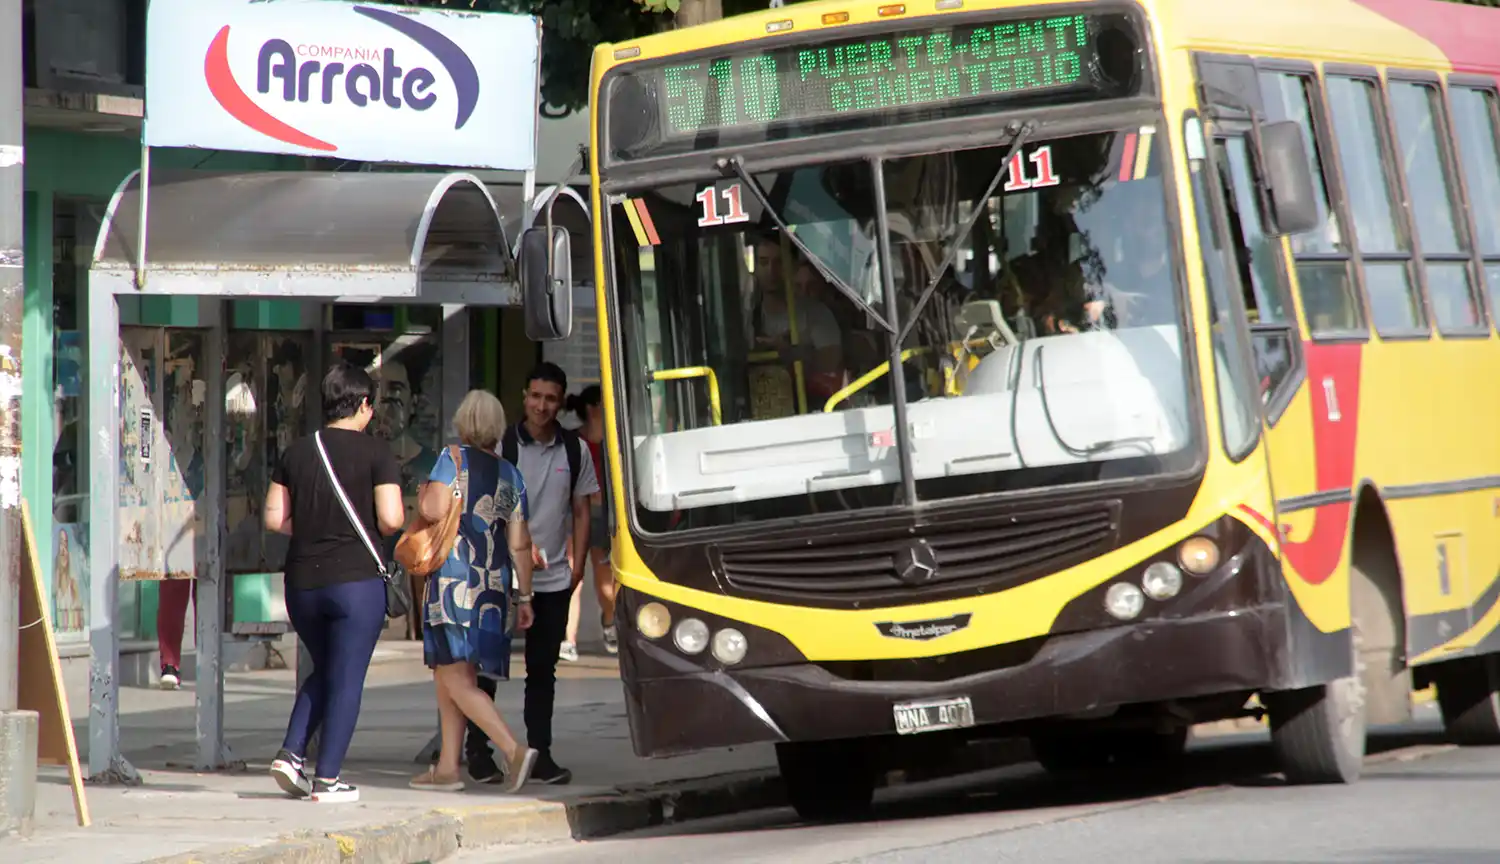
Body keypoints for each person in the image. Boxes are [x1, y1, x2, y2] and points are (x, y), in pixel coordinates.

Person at [262, 361, 406, 804]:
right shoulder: (377, 453)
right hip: (355, 585)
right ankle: (327, 778)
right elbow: (391, 518)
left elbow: (273, 517)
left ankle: (291, 754)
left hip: (302, 582)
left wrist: (313, 531)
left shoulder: (297, 452)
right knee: (346, 680)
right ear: (364, 405)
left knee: (327, 670)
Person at [466, 362, 598, 786]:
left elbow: (581, 510)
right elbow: (485, 507)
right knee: (486, 668)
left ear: (561, 403)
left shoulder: (574, 451)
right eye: (535, 396)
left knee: (544, 671)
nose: (542, 406)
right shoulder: (504, 444)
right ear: (524, 397)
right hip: (501, 578)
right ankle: (478, 754)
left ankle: (540, 754)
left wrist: (576, 567)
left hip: (554, 580)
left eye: (551, 399)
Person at [409, 390, 539, 794]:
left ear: (463, 422)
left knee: (455, 677)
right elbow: (520, 544)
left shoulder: (452, 459)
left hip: (453, 582)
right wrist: (526, 597)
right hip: (493, 588)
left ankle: (513, 749)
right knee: (452, 674)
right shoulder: (511, 475)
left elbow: (432, 510)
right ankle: (448, 767)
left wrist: (422, 492)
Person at [558, 386, 618, 660]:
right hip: (574, 516)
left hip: (606, 518)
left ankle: (610, 620)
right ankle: (567, 640)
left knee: (607, 586)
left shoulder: (617, 442)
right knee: (572, 576)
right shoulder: (572, 441)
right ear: (594, 409)